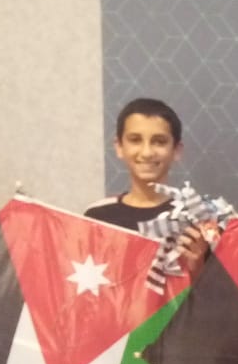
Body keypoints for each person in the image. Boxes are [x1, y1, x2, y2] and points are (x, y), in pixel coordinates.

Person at [85, 96, 211, 276]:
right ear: (119, 147)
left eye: (159, 141)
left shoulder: (198, 219)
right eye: (135, 140)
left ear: (176, 150)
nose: (147, 152)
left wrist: (198, 266)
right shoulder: (97, 217)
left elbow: (221, 289)